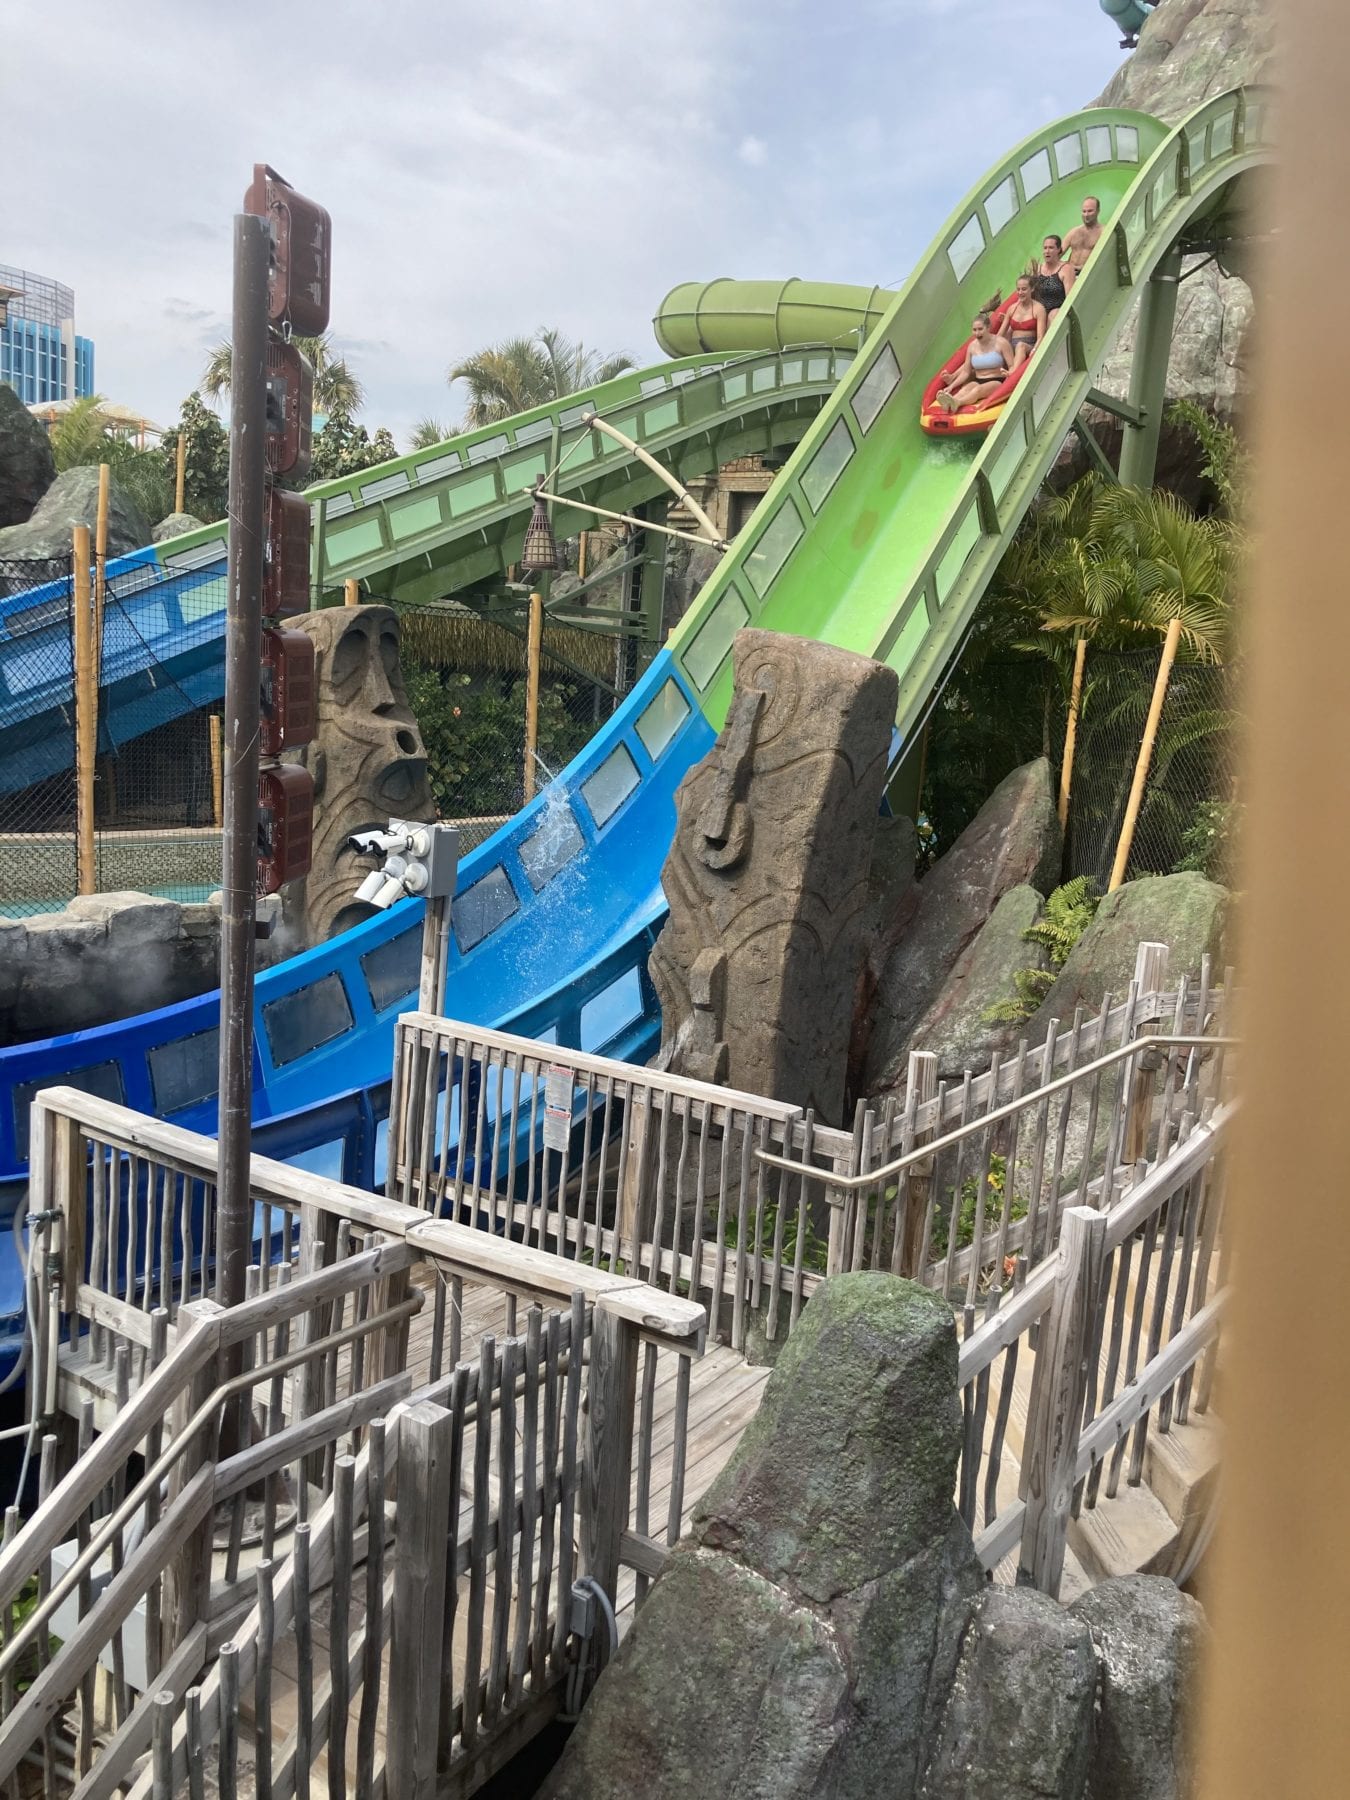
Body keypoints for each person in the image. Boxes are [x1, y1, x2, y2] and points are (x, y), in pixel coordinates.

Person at [935, 311, 1014, 412]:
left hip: (997, 380)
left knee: (977, 390)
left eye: (980, 329)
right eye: (974, 330)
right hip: (978, 379)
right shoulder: (972, 346)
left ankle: (958, 402)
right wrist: (951, 386)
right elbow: (966, 372)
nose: (977, 333)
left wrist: (1009, 376)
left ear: (988, 327)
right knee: (964, 390)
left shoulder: (1001, 343)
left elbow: (1012, 365)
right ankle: (949, 403)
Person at [1002, 273, 1047, 368]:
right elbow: (1000, 334)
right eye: (1018, 289)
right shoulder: (1012, 308)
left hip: (1028, 345)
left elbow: (1040, 337)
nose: (1020, 292)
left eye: (1024, 289)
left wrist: (1034, 351)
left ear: (1032, 289)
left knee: (1020, 346)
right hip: (1012, 345)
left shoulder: (1038, 309)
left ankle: (1011, 374)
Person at [1062, 195, 1104, 291]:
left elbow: (1102, 259)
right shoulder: (1074, 232)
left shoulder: (1103, 232)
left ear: (1098, 211)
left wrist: (1084, 268)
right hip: (1069, 274)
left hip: (1087, 276)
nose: (1086, 214)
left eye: (1090, 211)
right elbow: (1058, 253)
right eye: (1084, 211)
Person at [1034, 235, 1068, 319]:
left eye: (1051, 248)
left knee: (1053, 314)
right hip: (1039, 312)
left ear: (1059, 250)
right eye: (1045, 248)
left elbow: (1070, 296)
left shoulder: (1066, 269)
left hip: (1056, 311)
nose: (1047, 251)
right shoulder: (1038, 269)